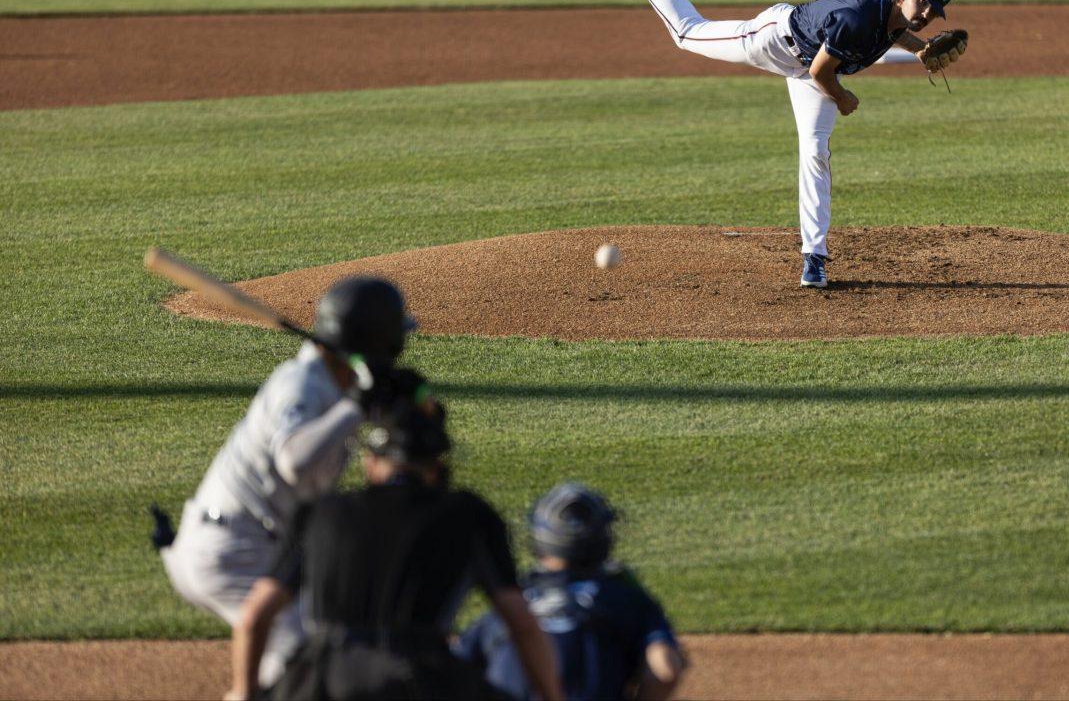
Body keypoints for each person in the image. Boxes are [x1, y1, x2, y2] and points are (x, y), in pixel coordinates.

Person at [565, 0, 964, 289]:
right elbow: (825, 73)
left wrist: (920, 51)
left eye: (934, 10)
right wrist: (842, 99)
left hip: (809, 64)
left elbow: (886, 36)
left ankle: (815, 257)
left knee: (815, 151)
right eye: (922, 1)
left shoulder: (891, 16)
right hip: (775, 41)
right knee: (687, 32)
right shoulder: (859, 18)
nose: (926, 13)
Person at [156, 276, 417, 687]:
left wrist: (397, 402)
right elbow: (294, 461)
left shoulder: (338, 384)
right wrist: (357, 406)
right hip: (233, 552)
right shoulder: (301, 385)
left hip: (254, 546)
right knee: (305, 670)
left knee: (331, 641)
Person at [225, 393, 564, 701]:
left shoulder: (320, 512)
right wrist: (552, 696)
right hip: (420, 678)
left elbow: (254, 617)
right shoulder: (467, 514)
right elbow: (522, 624)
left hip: (324, 679)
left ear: (370, 462)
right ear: (437, 465)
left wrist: (244, 693)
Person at [457, 483, 686, 701]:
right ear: (602, 539)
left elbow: (453, 670)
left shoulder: (512, 607)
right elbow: (665, 670)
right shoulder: (624, 598)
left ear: (540, 540)